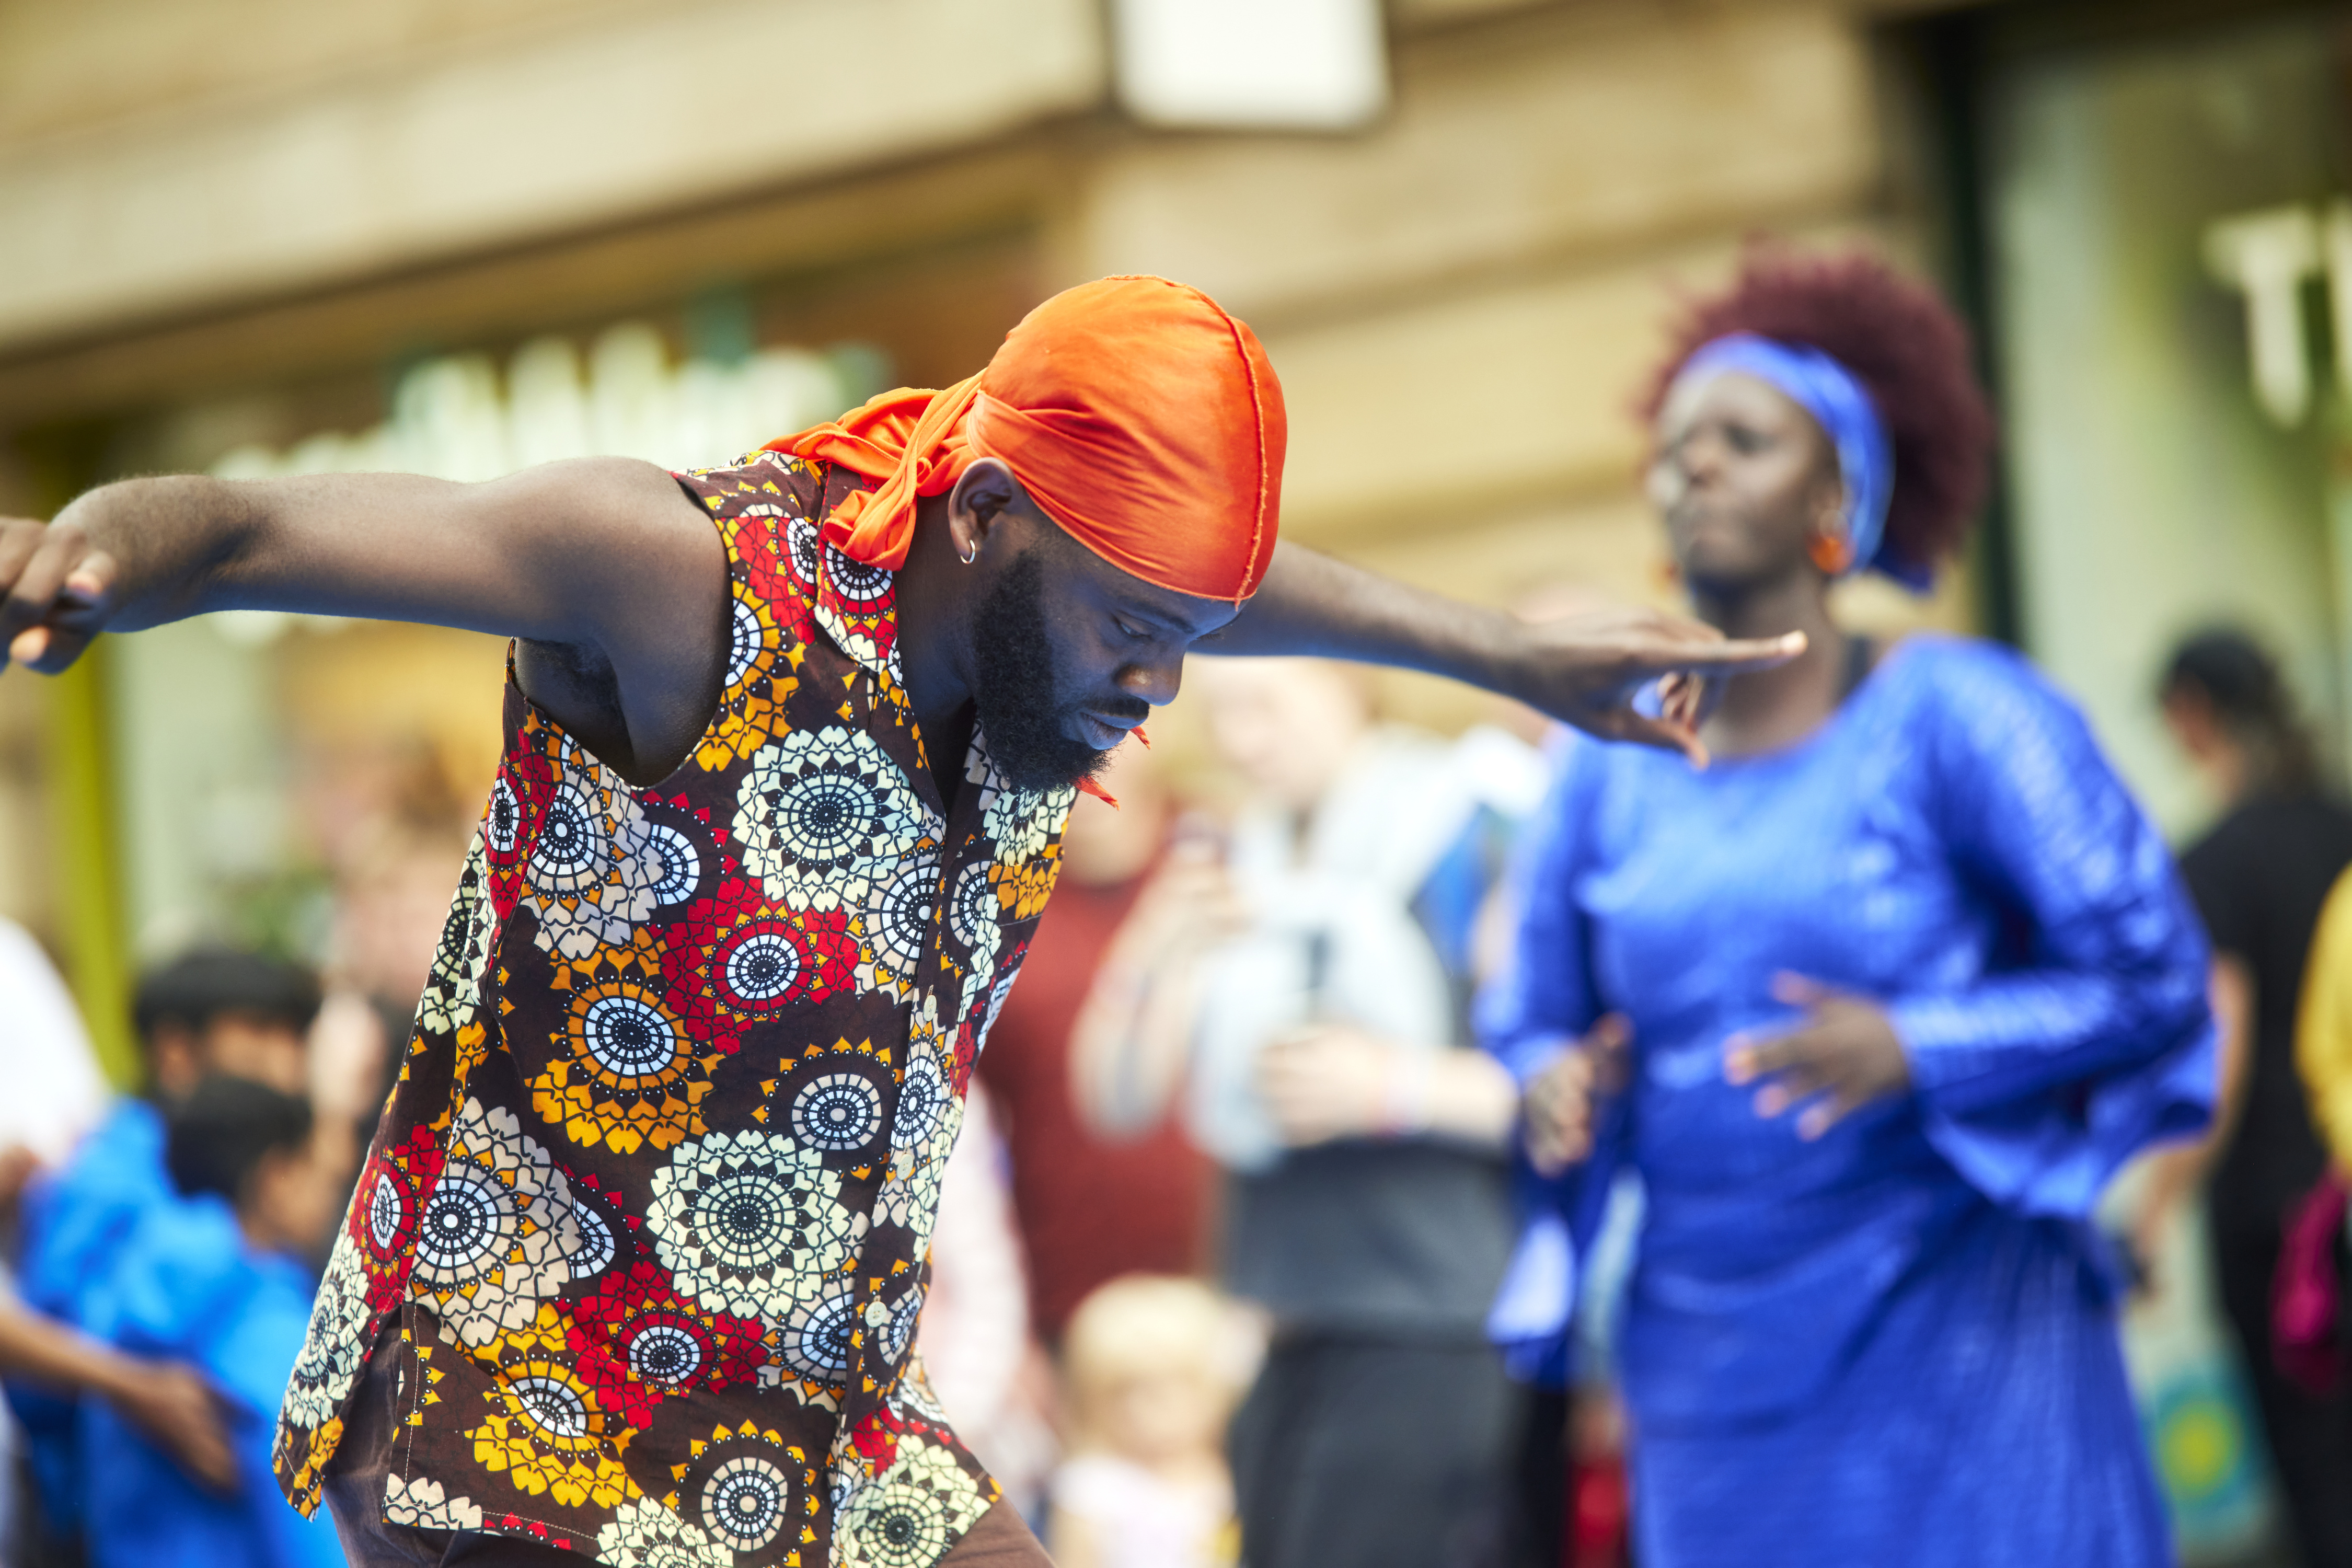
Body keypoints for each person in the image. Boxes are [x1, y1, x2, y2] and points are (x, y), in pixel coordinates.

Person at [0, 273, 1798, 1567]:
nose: (1160, 686)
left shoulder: (1055, 653)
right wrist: (96, 553)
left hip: (819, 1427)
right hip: (526, 1413)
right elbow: (243, 531)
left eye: (1190, 632)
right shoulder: (686, 579)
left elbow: (1239, 593)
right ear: (996, 518)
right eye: (1131, 630)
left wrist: (1515, 659)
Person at [1485, 247, 2215, 1568]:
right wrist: (1547, 1083)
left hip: (1958, 1319)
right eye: (1672, 446)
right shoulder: (1604, 760)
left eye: (1741, 439)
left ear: (1836, 493)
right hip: (1705, 1356)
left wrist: (1917, 1044)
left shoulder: (1959, 715)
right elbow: (1531, 1012)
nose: (1690, 466)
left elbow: (2146, 975)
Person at [1082, 656, 1546, 1568]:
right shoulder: (1240, 855)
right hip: (1276, 1314)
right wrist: (1158, 943)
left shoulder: (1473, 835)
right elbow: (1116, 1100)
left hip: (1426, 1313)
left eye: (1267, 707)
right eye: (1222, 716)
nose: (1245, 740)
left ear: (1354, 685)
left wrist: (1391, 1089)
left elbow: (1562, 1093)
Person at [7, 946, 320, 1554]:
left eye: (292, 1037)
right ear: (176, 1051)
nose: (285, 1061)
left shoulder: (260, 1153)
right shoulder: (111, 1174)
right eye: (258, 1032)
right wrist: (136, 1388)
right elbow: (38, 1383)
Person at [2154, 627, 2352, 1568]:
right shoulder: (2343, 825)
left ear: (2192, 715)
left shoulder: (2216, 861)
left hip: (2282, 1226)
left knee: (2320, 1480)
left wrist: (2158, 1203)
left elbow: (2217, 1055)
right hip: (2341, 1177)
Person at [977, 740, 1216, 1347]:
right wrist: (1004, 1333)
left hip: (1231, 1287)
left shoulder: (1223, 858)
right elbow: (969, 1139)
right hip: (1067, 1300)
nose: (1080, 763)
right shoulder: (993, 905)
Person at [79, 1074, 350, 1567]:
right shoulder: (265, 1330)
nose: (337, 1200)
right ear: (277, 1180)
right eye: (321, 1174)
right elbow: (315, 1532)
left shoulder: (120, 1295)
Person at [1046, 1275, 1243, 1568]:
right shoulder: (1093, 1488)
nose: (1143, 1413)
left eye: (1166, 1393)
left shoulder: (1231, 1477)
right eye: (1122, 1395)